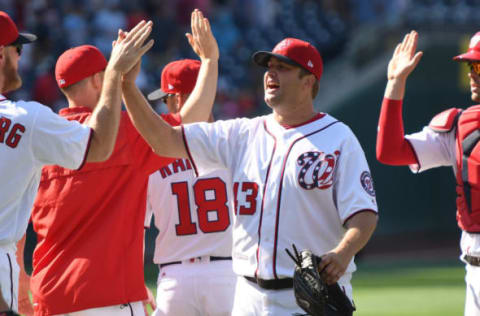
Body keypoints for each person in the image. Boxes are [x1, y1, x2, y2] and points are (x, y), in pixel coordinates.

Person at [123, 37, 379, 315]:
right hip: (246, 297)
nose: (270, 73)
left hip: (306, 297)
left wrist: (343, 253)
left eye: (283, 67)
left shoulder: (338, 139)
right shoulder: (241, 134)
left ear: (308, 81)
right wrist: (126, 84)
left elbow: (364, 215)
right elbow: (164, 141)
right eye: (269, 66)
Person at [28, 10, 219, 316]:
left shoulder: (40, 138)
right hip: (109, 297)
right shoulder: (124, 134)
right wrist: (210, 62)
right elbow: (190, 122)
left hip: (50, 297)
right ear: (97, 79)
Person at [0, 11, 147, 315]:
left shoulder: (39, 125)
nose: (20, 56)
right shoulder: (31, 122)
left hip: (51, 291)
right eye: (17, 48)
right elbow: (99, 144)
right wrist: (118, 79)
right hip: (108, 294)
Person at [376, 30, 480, 316]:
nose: (472, 73)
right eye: (470, 66)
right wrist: (395, 85)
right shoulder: (460, 126)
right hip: (473, 270)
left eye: (479, 66)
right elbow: (391, 151)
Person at [145, 58, 236, 316]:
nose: (164, 106)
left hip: (176, 277)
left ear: (179, 98)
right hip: (228, 274)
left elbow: (135, 228)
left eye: (166, 99)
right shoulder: (234, 141)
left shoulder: (152, 155)